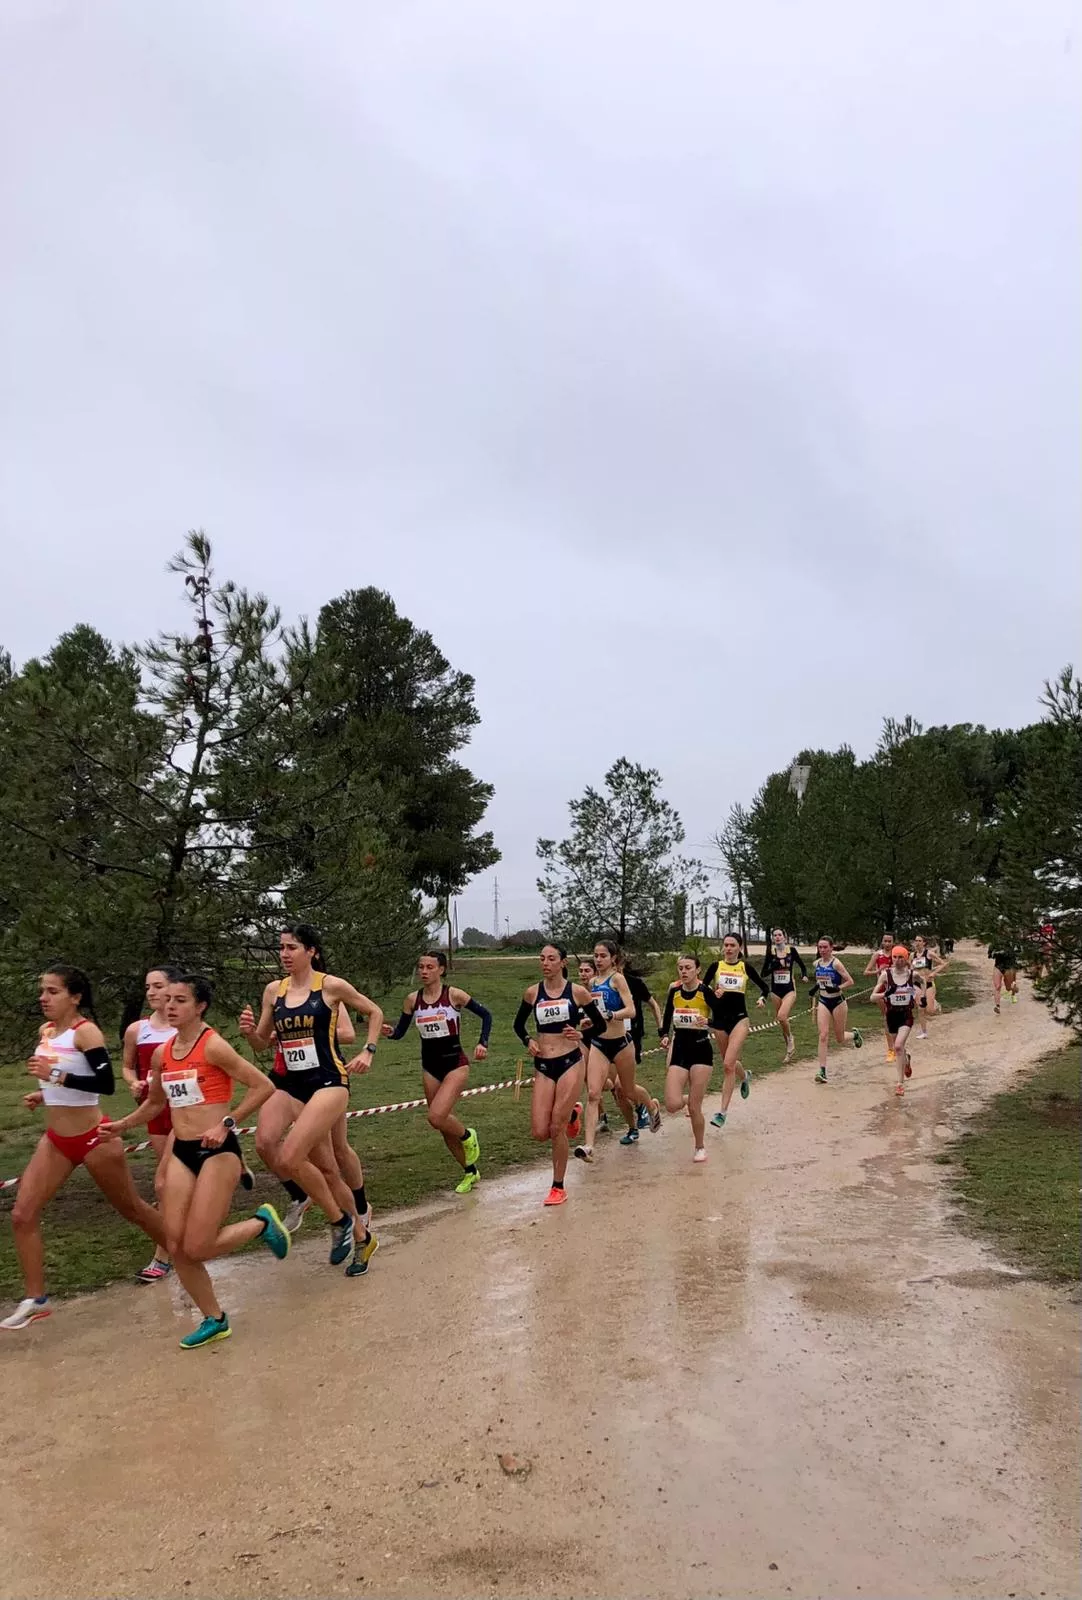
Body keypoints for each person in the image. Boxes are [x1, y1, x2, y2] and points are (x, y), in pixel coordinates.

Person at [102, 974, 290, 1348]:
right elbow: (156, 1103)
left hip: (217, 1152)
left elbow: (263, 1086)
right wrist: (123, 1124)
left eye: (180, 1000)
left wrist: (227, 1124)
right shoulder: (162, 1053)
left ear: (200, 1006)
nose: (169, 1006)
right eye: (167, 999)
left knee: (198, 1245)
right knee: (176, 1243)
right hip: (182, 1151)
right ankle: (214, 1318)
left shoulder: (214, 1046)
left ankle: (260, 1223)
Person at [2, 965, 168, 1332]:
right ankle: (36, 1300)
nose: (43, 998)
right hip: (57, 1140)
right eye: (42, 991)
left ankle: (187, 1253)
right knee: (22, 1214)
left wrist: (54, 1076)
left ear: (75, 997)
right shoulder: (46, 1031)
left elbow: (105, 1083)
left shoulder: (85, 1032)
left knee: (134, 1210)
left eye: (53, 991)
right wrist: (43, 1093)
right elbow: (64, 1083)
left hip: (95, 1137)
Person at [240, 923, 384, 1276]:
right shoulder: (274, 990)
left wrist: (368, 1050)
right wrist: (249, 1033)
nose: (285, 954)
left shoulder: (330, 986)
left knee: (292, 1156)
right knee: (267, 1144)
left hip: (329, 1082)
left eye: (292, 947)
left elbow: (375, 1012)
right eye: (282, 948)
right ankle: (358, 1234)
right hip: (292, 1085)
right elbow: (261, 1043)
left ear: (311, 951)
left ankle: (341, 1223)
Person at [382, 951, 492, 1194]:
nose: (424, 971)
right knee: (441, 1125)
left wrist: (482, 1042)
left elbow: (486, 1015)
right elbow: (401, 1031)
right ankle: (470, 1171)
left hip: (455, 1063)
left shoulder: (454, 995)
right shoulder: (412, 1000)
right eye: (421, 967)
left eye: (430, 967)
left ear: (441, 970)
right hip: (430, 1066)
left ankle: (467, 1135)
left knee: (436, 1117)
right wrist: (389, 1033)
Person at [512, 943, 606, 1204]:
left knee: (556, 1128)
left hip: (570, 1061)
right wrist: (528, 1040)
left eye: (551, 958)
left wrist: (581, 1034)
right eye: (542, 958)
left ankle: (558, 1186)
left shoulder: (577, 992)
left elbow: (599, 1024)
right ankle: (574, 1113)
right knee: (539, 1132)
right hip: (543, 1064)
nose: (545, 963)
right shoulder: (533, 993)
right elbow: (518, 1025)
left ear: (562, 962)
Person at [120, 964, 181, 1283]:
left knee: (169, 1183)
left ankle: (166, 1254)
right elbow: (128, 1067)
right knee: (169, 1181)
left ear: (173, 988)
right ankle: (169, 1251)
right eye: (148, 987)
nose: (152, 993)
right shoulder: (137, 1030)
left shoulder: (184, 1026)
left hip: (188, 1111)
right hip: (155, 1112)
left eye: (158, 986)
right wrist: (133, 1083)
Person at [577, 939, 660, 1160]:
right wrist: (589, 1021)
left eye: (603, 956)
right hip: (599, 1044)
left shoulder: (618, 979)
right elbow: (596, 1011)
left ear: (613, 958)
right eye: (595, 955)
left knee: (628, 1090)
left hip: (622, 1043)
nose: (598, 959)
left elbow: (631, 1010)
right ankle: (588, 1146)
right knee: (594, 1093)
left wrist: (613, 1015)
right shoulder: (593, 982)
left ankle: (651, 1107)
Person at [659, 954, 728, 1162]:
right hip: (679, 1048)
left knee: (694, 1108)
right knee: (671, 1104)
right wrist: (663, 1035)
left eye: (688, 968)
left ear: (698, 970)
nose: (684, 972)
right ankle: (691, 1097)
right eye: (681, 968)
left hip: (700, 1049)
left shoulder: (705, 992)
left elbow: (722, 1019)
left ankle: (700, 1146)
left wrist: (707, 1021)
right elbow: (667, 1017)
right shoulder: (675, 992)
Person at [704, 933, 769, 1128]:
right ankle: (745, 1076)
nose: (729, 948)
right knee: (728, 1063)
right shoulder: (716, 967)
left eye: (733, 945)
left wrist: (762, 998)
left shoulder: (745, 967)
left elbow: (764, 987)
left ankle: (722, 1113)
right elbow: (702, 988)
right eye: (726, 945)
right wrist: (713, 992)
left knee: (727, 1065)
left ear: (740, 947)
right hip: (719, 1021)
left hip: (740, 1019)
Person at [811, 938, 863, 1082]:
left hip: (838, 1001)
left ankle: (854, 1035)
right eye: (820, 947)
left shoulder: (836, 963)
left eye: (825, 947)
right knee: (823, 1034)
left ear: (831, 948)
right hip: (823, 1001)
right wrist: (815, 988)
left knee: (839, 1038)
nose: (822, 950)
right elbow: (820, 980)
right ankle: (822, 1071)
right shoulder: (817, 964)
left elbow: (850, 981)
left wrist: (838, 987)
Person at [871, 947, 917, 1096]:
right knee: (900, 1049)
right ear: (892, 958)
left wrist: (920, 997)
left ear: (906, 959)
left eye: (901, 957)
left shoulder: (912, 975)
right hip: (891, 1015)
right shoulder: (886, 975)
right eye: (895, 957)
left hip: (906, 1015)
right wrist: (885, 993)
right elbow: (872, 997)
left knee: (897, 1046)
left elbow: (921, 984)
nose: (898, 960)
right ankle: (906, 1059)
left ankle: (899, 1084)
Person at [759, 929, 808, 1062]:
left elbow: (802, 966)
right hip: (775, 991)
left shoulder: (791, 951)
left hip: (789, 990)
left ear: (785, 937)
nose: (777, 937)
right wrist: (773, 967)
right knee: (781, 1021)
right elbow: (763, 973)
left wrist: (804, 975)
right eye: (775, 935)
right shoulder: (771, 953)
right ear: (773, 938)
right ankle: (789, 1051)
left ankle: (791, 1038)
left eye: (780, 935)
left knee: (782, 1016)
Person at [864, 933, 897, 1061]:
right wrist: (877, 971)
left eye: (890, 941)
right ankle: (890, 1049)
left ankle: (897, 1045)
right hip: (882, 990)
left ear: (893, 942)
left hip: (896, 990)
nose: (887, 943)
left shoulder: (897, 954)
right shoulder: (877, 955)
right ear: (882, 942)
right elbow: (866, 971)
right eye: (885, 941)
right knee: (886, 1018)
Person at [910, 936, 948, 1039]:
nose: (917, 943)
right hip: (917, 984)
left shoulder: (929, 954)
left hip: (928, 983)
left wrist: (934, 973)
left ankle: (935, 1004)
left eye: (919, 941)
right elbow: (910, 968)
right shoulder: (912, 955)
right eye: (916, 941)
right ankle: (924, 1032)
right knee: (920, 1008)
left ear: (924, 943)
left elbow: (943, 964)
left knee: (930, 1011)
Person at [989, 942, 1019, 1014]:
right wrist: (994, 953)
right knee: (997, 986)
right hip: (998, 966)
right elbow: (990, 954)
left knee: (1008, 988)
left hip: (1009, 967)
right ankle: (997, 1006)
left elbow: (1019, 952)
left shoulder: (1013, 941)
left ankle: (1013, 992)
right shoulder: (995, 943)